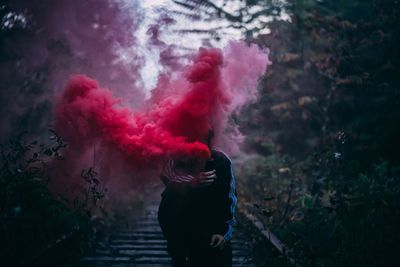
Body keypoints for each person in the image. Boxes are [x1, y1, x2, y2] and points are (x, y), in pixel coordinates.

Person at [157, 138, 237, 267]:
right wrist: (191, 183)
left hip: (211, 233)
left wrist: (223, 233)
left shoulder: (221, 160)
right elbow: (168, 176)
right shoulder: (175, 157)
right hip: (181, 231)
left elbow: (229, 199)